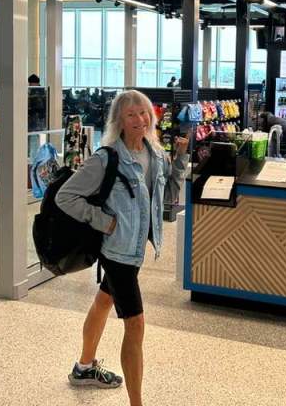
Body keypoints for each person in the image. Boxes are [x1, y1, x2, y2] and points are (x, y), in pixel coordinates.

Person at [55, 90, 189, 405]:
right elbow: (66, 196)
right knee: (136, 324)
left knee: (103, 301)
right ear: (119, 120)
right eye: (131, 114)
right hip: (117, 252)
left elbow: (167, 197)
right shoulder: (106, 158)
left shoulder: (155, 153)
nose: (139, 119)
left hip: (136, 248)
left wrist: (180, 160)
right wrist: (103, 221)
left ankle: (84, 367)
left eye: (143, 112)